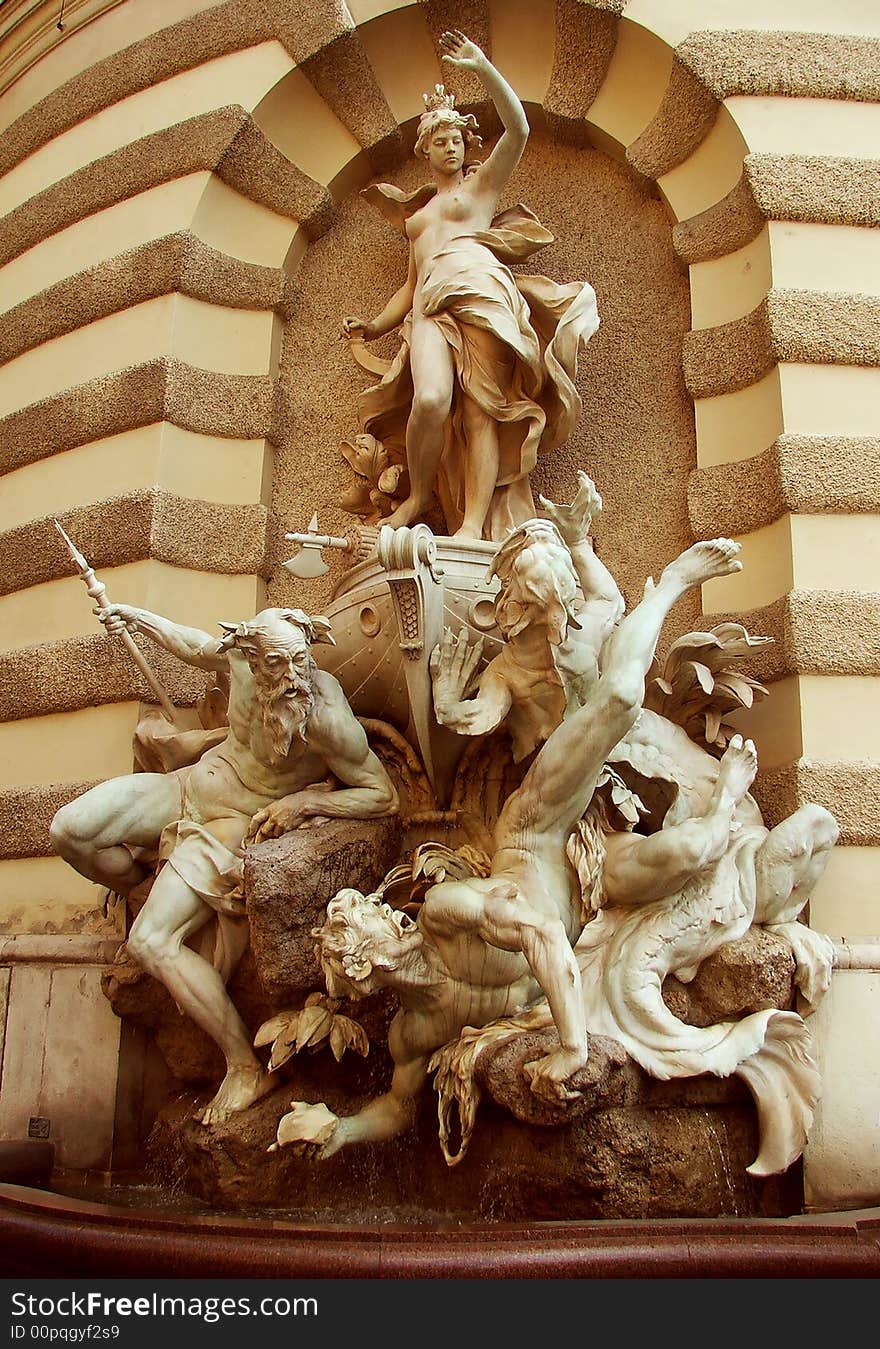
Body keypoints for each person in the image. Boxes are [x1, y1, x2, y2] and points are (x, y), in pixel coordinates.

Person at [275, 538, 743, 1159]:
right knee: (689, 852)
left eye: (357, 936)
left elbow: (542, 932)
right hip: (592, 889)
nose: (354, 968)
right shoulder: (413, 1033)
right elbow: (396, 1105)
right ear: (368, 975)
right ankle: (730, 799)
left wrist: (575, 1043)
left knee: (620, 699)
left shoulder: (443, 914)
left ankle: (674, 579)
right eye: (352, 955)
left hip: (537, 831)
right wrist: (343, 1130)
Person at [50, 605, 398, 1124]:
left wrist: (303, 804)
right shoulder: (238, 660)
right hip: (187, 787)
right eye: (279, 666)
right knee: (68, 831)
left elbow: (382, 795)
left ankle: (243, 1065)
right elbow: (193, 644)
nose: (293, 679)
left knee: (150, 941)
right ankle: (140, 883)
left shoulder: (324, 718)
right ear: (253, 660)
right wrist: (137, 618)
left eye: (300, 663)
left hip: (230, 826)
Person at [343, 30, 599, 541]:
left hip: (482, 295)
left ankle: (473, 527)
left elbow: (519, 129)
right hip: (428, 307)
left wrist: (482, 68)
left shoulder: (481, 188)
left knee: (484, 412)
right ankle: (419, 494)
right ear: (425, 150)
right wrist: (373, 326)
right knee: (433, 400)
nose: (451, 147)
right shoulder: (418, 219)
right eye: (441, 140)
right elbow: (410, 284)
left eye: (458, 140)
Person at [431, 471, 624, 760]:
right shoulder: (579, 642)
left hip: (580, 767)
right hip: (583, 763)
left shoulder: (506, 672)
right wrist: (578, 542)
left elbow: (477, 717)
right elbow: (609, 600)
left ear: (511, 608)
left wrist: (445, 700)